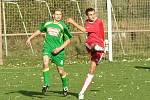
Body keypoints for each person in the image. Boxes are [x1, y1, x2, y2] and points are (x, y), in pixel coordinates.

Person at [26, 9, 72, 96]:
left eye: (60, 14)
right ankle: (46, 84)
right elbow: (39, 30)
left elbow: (68, 40)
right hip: (47, 48)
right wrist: (30, 38)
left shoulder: (63, 26)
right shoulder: (47, 23)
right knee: (45, 62)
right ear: (53, 15)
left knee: (61, 71)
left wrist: (59, 49)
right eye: (57, 14)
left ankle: (65, 86)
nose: (58, 16)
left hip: (59, 51)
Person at [67, 8, 104, 99]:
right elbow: (86, 30)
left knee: (91, 70)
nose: (92, 16)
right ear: (87, 16)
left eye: (93, 14)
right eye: (90, 14)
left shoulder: (98, 22)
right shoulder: (87, 21)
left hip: (99, 46)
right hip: (90, 45)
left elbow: (84, 30)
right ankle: (96, 48)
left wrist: (72, 22)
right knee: (91, 45)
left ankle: (81, 92)